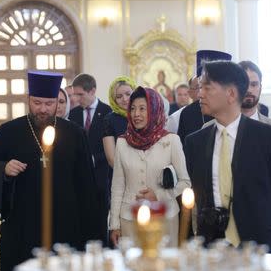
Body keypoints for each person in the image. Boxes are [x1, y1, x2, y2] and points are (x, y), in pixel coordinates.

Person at [0, 71, 105, 271]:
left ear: (58, 102)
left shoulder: (75, 133)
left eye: (49, 103)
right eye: (37, 103)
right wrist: (4, 169)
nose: (43, 109)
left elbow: (87, 185)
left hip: (67, 223)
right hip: (23, 224)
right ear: (28, 100)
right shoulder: (10, 131)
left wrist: (90, 229)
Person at [184, 61, 271, 271]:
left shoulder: (270, 138)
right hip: (215, 254)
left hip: (261, 250)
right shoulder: (195, 142)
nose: (200, 94)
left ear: (230, 93)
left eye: (207, 87)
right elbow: (201, 197)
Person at [109, 87, 191, 247]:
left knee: (164, 268)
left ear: (154, 110)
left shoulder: (171, 140)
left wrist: (159, 196)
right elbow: (117, 186)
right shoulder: (122, 142)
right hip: (129, 219)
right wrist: (114, 225)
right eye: (132, 109)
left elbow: (185, 183)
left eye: (142, 108)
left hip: (164, 218)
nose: (136, 114)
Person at [68, 73, 112, 243]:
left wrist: (94, 159)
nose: (77, 99)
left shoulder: (107, 112)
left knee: (100, 224)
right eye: (75, 94)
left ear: (92, 91)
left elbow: (112, 148)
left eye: (80, 94)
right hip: (80, 179)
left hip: (102, 178)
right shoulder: (74, 115)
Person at [177, 50, 232, 144]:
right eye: (200, 87)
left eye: (208, 87)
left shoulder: (237, 112)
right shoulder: (187, 113)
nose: (199, 94)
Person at [103, 76, 137, 168]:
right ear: (114, 100)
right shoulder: (109, 119)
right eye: (119, 96)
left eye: (128, 94)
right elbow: (111, 159)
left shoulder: (143, 115)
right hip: (121, 173)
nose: (125, 99)